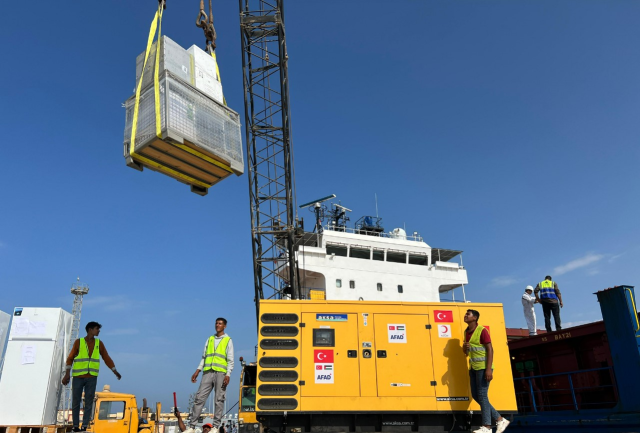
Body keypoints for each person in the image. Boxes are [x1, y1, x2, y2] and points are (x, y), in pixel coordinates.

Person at [62, 322, 121, 432]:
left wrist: (114, 371)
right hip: (78, 376)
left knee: (89, 402)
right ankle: (75, 426)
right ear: (90, 329)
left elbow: (106, 357)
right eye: (97, 329)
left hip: (92, 377)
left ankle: (84, 426)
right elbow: (70, 358)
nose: (98, 331)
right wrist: (67, 374)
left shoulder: (99, 343)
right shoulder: (78, 342)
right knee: (76, 402)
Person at [462, 309, 510, 433]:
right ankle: (500, 419)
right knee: (476, 395)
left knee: (482, 396)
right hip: (473, 367)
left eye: (468, 314)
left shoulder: (482, 330)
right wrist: (464, 348)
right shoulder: (466, 332)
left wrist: (489, 369)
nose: (465, 316)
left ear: (475, 318)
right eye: (465, 314)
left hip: (484, 368)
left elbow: (490, 349)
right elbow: (467, 353)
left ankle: (487, 427)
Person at [185, 318, 234, 433]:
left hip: (221, 373)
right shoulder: (210, 339)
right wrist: (197, 371)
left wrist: (228, 374)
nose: (217, 325)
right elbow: (204, 357)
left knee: (219, 400)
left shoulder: (228, 340)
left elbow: (230, 360)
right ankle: (192, 427)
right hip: (207, 372)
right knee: (199, 399)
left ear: (224, 326)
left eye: (220, 323)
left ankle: (216, 427)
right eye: (216, 323)